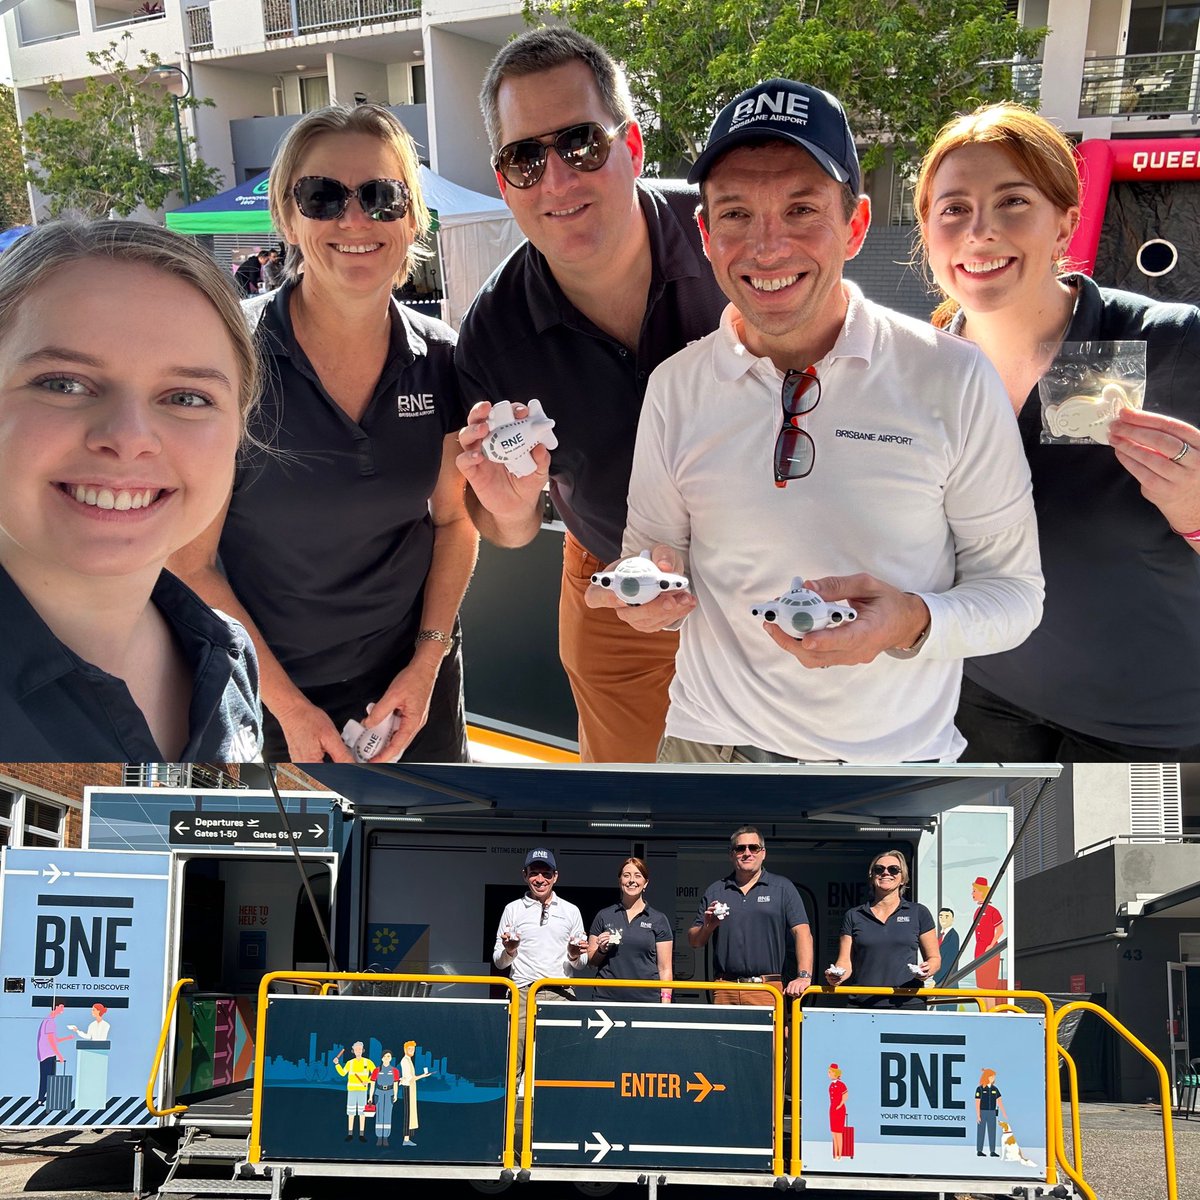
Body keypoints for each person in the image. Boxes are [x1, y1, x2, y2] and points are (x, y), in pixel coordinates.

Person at [586, 79, 1043, 764]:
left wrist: (911, 620)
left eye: (801, 209)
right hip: (711, 751)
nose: (767, 248)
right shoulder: (676, 386)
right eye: (736, 214)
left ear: (855, 226)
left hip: (890, 767)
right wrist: (645, 589)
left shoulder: (951, 376)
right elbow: (653, 551)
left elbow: (1014, 596)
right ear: (706, 235)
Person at [171, 103, 476, 763]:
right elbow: (189, 562)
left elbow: (455, 522)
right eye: (323, 197)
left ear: (412, 216)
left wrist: (426, 667)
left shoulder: (444, 357)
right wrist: (285, 704)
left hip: (413, 684)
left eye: (380, 196)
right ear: (287, 215)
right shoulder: (230, 358)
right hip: (269, 695)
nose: (354, 219)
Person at [455, 27, 726, 763]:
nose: (556, 181)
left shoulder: (728, 238)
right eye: (524, 158)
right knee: (629, 799)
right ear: (504, 179)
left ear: (632, 146)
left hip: (773, 566)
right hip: (614, 584)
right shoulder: (492, 335)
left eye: (580, 145)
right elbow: (507, 529)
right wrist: (511, 507)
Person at [914, 102, 1200, 761]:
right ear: (928, 231)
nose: (980, 231)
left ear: (1066, 219)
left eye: (1012, 201)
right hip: (979, 696)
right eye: (954, 208)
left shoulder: (1165, 342)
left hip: (1144, 729)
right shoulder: (920, 371)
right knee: (995, 867)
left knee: (1115, 868)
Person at [0, 220, 262, 761]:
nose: (128, 439)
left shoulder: (229, 657)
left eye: (186, 397)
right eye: (63, 383)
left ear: (240, 427)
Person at [688, 826, 813, 1004]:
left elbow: (803, 933)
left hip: (767, 989)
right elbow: (694, 941)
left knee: (770, 1034)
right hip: (725, 988)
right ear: (731, 854)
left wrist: (804, 976)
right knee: (722, 1034)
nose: (747, 853)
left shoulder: (783, 888)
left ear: (763, 853)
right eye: (740, 848)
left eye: (753, 848)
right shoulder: (716, 890)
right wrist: (707, 927)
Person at [493, 848, 588, 1081]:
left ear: (555, 876)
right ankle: (508, 1116)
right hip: (523, 993)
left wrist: (574, 954)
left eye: (546, 874)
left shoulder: (571, 910)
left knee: (560, 1065)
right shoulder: (512, 909)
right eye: (534, 872)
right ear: (525, 875)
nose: (540, 879)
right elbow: (498, 960)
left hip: (561, 994)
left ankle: (554, 1117)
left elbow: (581, 964)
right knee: (513, 1065)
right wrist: (510, 950)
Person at [824, 850, 940, 1007]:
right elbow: (845, 962)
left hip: (907, 1003)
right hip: (863, 1003)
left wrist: (928, 970)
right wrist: (836, 976)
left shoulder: (919, 912)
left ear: (903, 879)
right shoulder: (854, 915)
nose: (886, 873)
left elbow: (935, 959)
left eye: (893, 869)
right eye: (879, 869)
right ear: (872, 877)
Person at [587, 857, 674, 1003]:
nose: (631, 880)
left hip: (646, 1000)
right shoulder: (604, 915)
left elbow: (665, 969)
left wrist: (665, 1003)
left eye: (637, 875)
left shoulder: (658, 919)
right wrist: (602, 950)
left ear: (645, 883)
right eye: (626, 875)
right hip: (607, 999)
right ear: (620, 881)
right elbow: (591, 961)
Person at [334, 1038, 375, 1142]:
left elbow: (375, 1074)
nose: (358, 1051)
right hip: (352, 1090)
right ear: (353, 1051)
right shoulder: (350, 1063)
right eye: (356, 1049)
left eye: (360, 1049)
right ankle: (350, 1133)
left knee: (362, 1113)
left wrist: (369, 1081)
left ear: (363, 1050)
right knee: (351, 1112)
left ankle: (361, 1134)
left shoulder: (368, 1062)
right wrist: (337, 1064)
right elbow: (343, 1073)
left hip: (362, 1091)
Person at [970, 876, 1005, 1000]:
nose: (972, 893)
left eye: (974, 890)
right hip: (979, 949)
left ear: (982, 892)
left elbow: (1000, 930)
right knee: (980, 986)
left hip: (990, 951)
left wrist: (991, 945)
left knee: (988, 988)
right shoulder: (977, 911)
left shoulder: (992, 911)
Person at [35, 1002, 73, 1106]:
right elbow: (51, 1041)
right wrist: (59, 1055)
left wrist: (67, 1038)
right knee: (47, 1077)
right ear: (55, 1007)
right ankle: (41, 1099)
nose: (62, 1010)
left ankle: (43, 1098)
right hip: (47, 1054)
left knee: (47, 1077)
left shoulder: (48, 1021)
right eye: (61, 1007)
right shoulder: (50, 1022)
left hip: (46, 1053)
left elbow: (54, 1039)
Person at [399, 1039, 429, 1146]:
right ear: (405, 1049)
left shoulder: (409, 1060)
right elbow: (410, 1078)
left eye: (413, 1049)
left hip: (411, 1087)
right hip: (407, 1087)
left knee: (411, 1111)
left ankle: (408, 1138)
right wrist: (422, 1076)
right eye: (410, 1049)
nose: (412, 1051)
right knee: (408, 1112)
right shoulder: (405, 1061)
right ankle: (405, 1139)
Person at [369, 1048, 400, 1147]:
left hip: (390, 1093)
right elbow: (372, 1085)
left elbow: (396, 1084)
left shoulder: (395, 1071)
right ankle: (379, 1137)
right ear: (382, 1058)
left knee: (387, 1115)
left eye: (389, 1056)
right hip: (379, 1093)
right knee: (379, 1115)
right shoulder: (376, 1070)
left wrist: (395, 1095)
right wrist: (370, 1096)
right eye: (385, 1056)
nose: (387, 1058)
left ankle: (386, 1137)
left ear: (391, 1058)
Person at [975, 1068, 1008, 1157]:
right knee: (981, 1131)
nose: (993, 1078)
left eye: (994, 1077)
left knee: (992, 1131)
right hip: (982, 1112)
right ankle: (979, 1150)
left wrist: (1004, 1112)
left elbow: (999, 1101)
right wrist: (978, 1115)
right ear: (987, 1077)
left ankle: (992, 1151)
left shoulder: (995, 1089)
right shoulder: (980, 1089)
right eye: (992, 1076)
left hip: (992, 1113)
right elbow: (977, 1102)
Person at [934, 907, 960, 987]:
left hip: (947, 982)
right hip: (942, 980)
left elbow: (948, 961)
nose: (943, 919)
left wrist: (935, 980)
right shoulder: (942, 935)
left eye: (947, 916)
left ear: (952, 919)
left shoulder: (953, 936)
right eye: (941, 916)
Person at [827, 1064, 848, 1159]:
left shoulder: (841, 1085)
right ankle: (835, 1153)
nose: (828, 1074)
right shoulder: (831, 1085)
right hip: (832, 1109)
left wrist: (839, 1106)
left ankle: (839, 1154)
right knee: (833, 1132)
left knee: (839, 1132)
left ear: (835, 1073)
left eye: (830, 1072)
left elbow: (845, 1096)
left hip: (839, 1109)